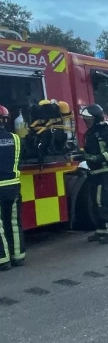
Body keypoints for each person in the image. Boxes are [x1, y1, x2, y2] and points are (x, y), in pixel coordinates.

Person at [81, 104, 108, 244]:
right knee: (95, 203)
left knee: (105, 201)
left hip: (106, 172)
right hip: (94, 172)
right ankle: (101, 230)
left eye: (89, 119)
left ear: (96, 118)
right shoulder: (90, 133)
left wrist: (98, 158)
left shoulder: (107, 132)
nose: (87, 122)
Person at [0, 105, 25, 271]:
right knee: (14, 223)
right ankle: (18, 257)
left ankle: (3, 260)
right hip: (13, 186)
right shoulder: (15, 138)